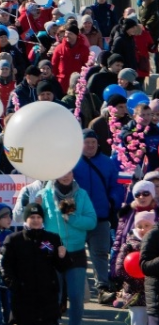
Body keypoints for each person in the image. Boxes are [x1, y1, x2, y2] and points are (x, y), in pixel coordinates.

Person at [38, 171, 97, 325]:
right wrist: (33, 208)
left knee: (76, 297)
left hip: (76, 253)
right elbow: (32, 222)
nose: (65, 176)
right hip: (53, 253)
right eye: (61, 172)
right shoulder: (44, 194)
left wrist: (72, 218)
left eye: (69, 172)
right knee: (54, 297)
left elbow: (92, 222)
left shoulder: (81, 194)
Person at [73, 128, 123, 304]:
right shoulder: (71, 162)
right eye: (87, 142)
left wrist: (113, 200)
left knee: (100, 253)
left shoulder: (107, 163)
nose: (91, 146)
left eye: (93, 142)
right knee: (75, 255)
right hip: (76, 219)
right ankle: (76, 289)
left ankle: (102, 288)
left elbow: (116, 186)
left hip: (100, 217)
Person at [0, 203, 66, 325]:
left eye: (39, 217)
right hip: (23, 299)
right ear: (26, 219)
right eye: (32, 217)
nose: (36, 220)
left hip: (47, 299)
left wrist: (63, 256)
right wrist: (14, 285)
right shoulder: (14, 239)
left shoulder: (53, 238)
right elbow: (3, 265)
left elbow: (62, 267)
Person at [115, 210, 154, 325]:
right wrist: (134, 280)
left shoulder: (155, 245)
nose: (143, 229)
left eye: (147, 226)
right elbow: (119, 268)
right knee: (138, 321)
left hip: (153, 293)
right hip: (134, 293)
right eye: (139, 226)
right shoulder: (129, 245)